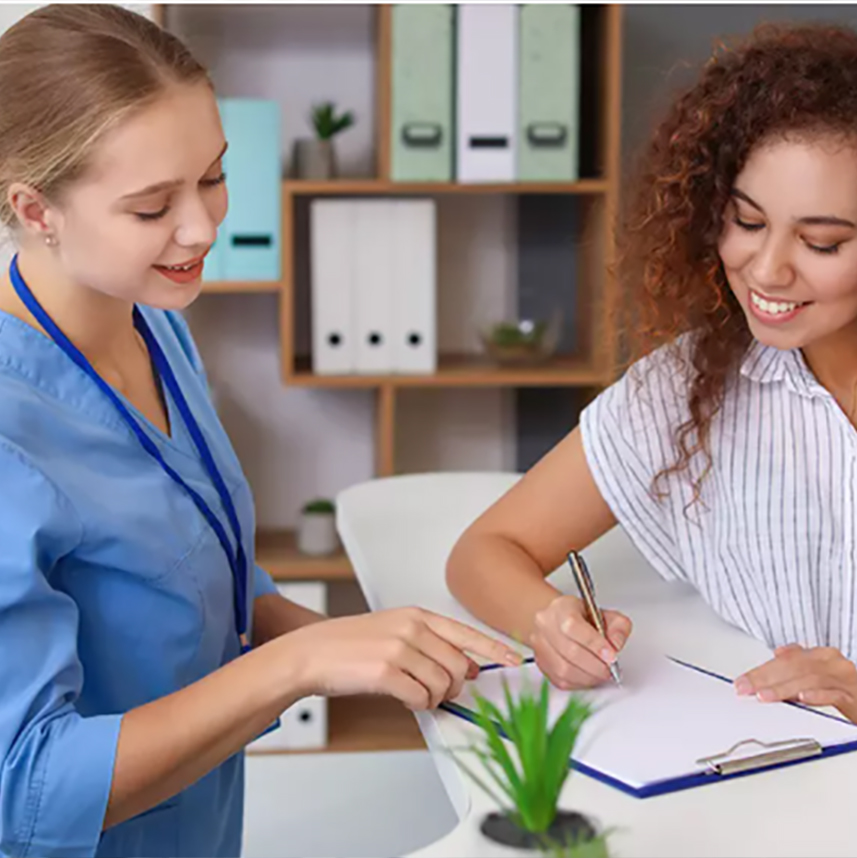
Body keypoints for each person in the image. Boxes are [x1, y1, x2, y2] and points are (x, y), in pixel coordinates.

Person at [0, 6, 523, 858]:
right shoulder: (11, 432)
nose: (204, 228)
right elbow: (24, 788)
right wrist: (299, 665)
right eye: (151, 206)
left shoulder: (154, 325)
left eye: (212, 176)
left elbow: (199, 570)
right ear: (36, 208)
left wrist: (358, 644)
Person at [447, 22, 857, 725]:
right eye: (746, 221)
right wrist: (547, 620)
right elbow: (484, 552)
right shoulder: (687, 388)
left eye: (820, 242)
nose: (766, 270)